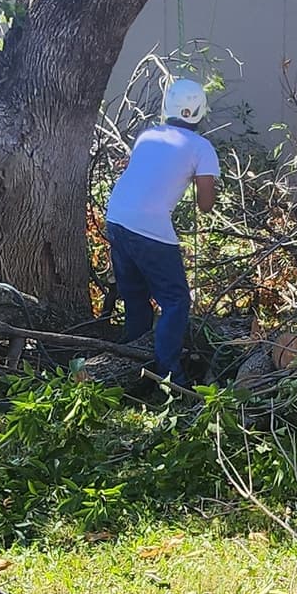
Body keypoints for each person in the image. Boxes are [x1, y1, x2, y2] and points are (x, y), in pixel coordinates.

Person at [103, 77, 220, 388]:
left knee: (136, 295)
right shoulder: (202, 147)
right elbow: (206, 204)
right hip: (148, 226)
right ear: (200, 114)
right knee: (176, 301)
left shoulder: (148, 135)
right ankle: (170, 377)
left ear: (167, 107)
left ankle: (131, 362)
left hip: (116, 217)